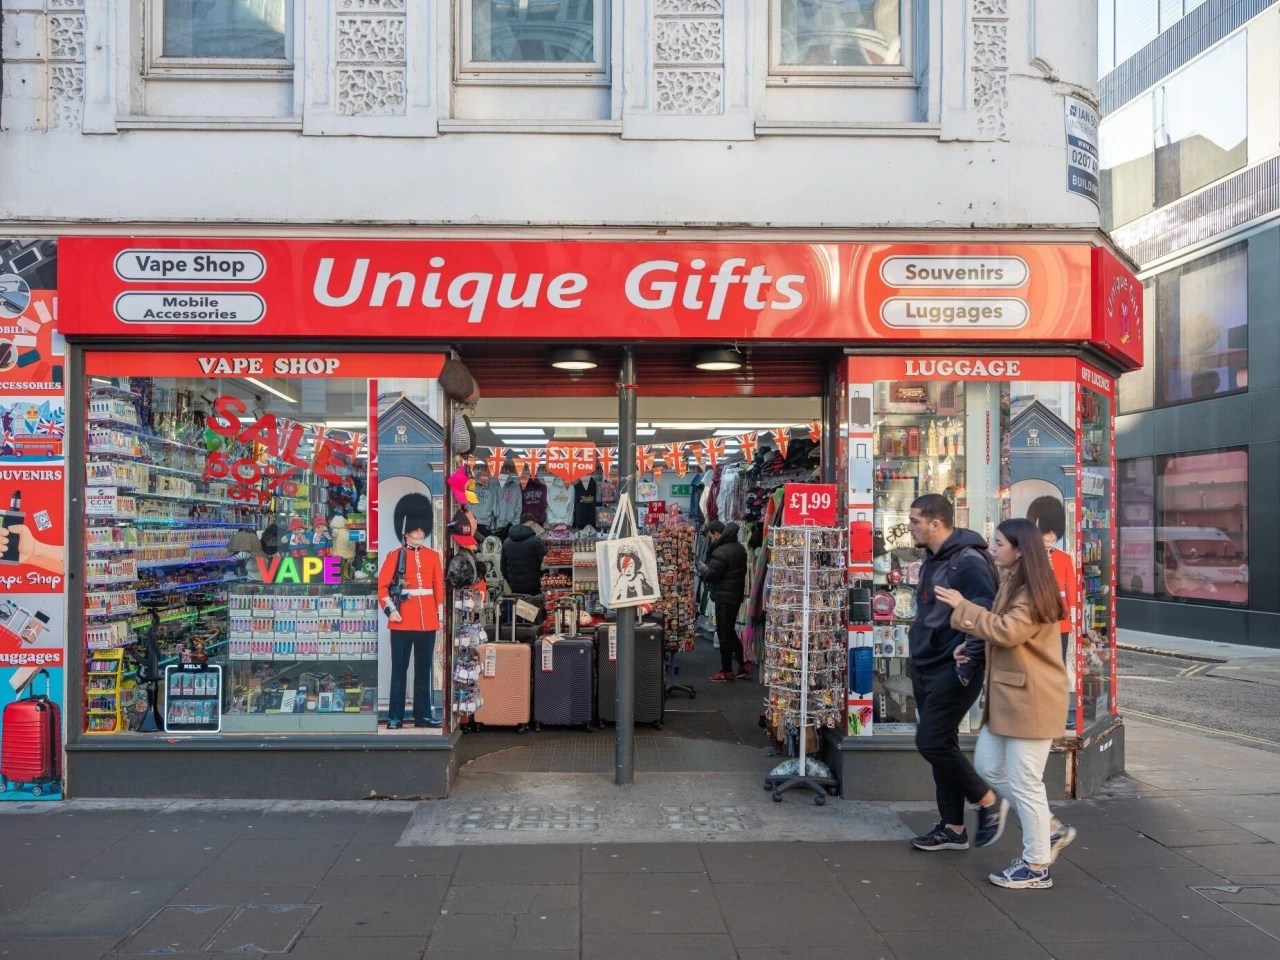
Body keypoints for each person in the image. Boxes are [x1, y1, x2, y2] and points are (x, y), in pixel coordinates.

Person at [935, 517, 1078, 890]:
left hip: (1031, 699)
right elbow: (1002, 630)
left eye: (998, 543)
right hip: (1011, 697)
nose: (992, 547)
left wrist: (963, 606)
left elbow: (1008, 631)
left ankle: (1035, 867)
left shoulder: (1032, 590)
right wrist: (973, 645)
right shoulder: (1014, 582)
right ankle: (1049, 828)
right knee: (988, 766)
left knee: (1025, 783)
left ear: (1019, 550)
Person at [905, 493, 1000, 852]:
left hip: (954, 666)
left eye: (915, 521)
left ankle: (986, 800)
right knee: (941, 745)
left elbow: (986, 612)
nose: (910, 526)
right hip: (927, 664)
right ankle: (952, 827)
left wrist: (969, 659)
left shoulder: (969, 561)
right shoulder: (932, 558)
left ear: (935, 522)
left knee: (930, 741)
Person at [377, 493, 444, 730]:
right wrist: (391, 610)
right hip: (402, 620)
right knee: (399, 672)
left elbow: (439, 590)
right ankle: (395, 716)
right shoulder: (395, 557)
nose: (420, 534)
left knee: (423, 672)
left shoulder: (433, 556)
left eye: (421, 530)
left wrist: (440, 618)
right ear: (406, 531)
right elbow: (382, 587)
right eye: (415, 530)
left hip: (427, 622)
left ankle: (422, 715)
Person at [699, 521, 751, 682]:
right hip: (735, 595)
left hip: (724, 596)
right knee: (729, 631)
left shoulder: (721, 551)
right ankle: (743, 663)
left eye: (711, 536)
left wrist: (703, 569)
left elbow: (713, 574)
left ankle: (726, 670)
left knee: (724, 633)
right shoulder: (739, 548)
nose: (712, 540)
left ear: (716, 534)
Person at [501, 513, 546, 596]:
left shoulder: (506, 543)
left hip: (515, 587)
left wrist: (512, 582)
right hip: (534, 587)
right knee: (534, 608)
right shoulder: (536, 541)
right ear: (532, 524)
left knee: (518, 608)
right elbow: (544, 564)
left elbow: (503, 568)